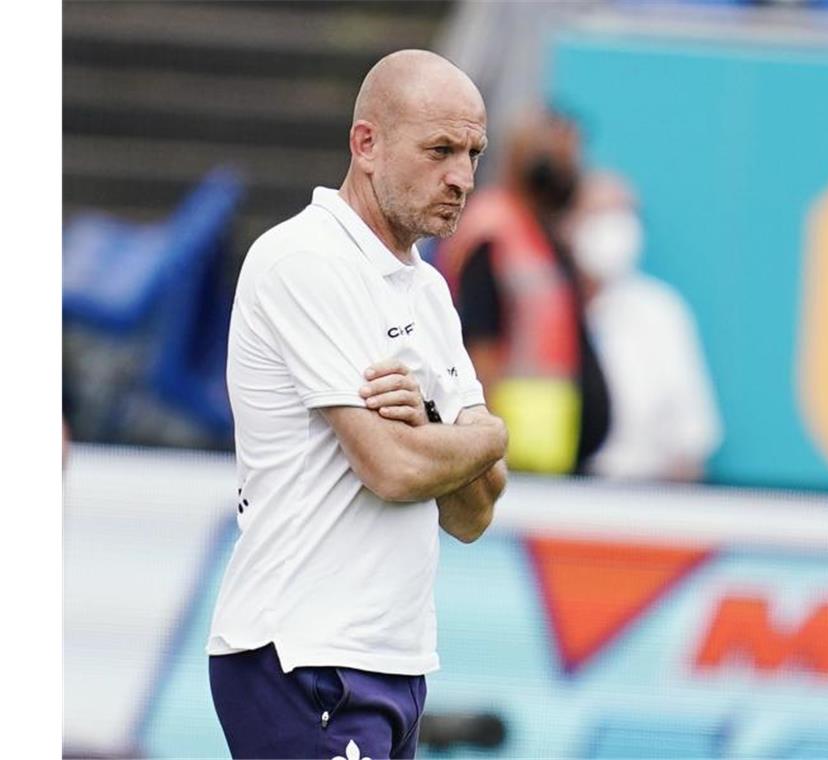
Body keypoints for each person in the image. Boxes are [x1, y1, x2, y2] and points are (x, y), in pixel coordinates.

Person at [207, 50, 508, 760]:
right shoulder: (303, 260)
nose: (462, 177)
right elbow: (395, 470)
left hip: (394, 658)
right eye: (439, 150)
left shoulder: (427, 291)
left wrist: (435, 427)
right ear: (366, 145)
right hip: (302, 653)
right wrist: (484, 434)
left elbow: (475, 512)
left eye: (472, 153)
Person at [434, 107, 610, 475]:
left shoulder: (541, 234)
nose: (574, 169)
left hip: (548, 446)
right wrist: (484, 444)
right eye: (564, 156)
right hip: (513, 451)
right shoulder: (494, 233)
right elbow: (482, 339)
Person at [567, 170, 722, 482]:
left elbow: (692, 441)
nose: (613, 228)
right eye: (598, 213)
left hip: (643, 501)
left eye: (624, 214)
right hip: (557, 502)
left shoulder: (661, 313)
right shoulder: (546, 307)